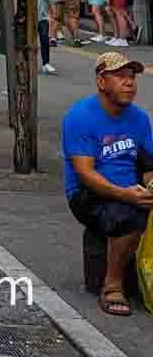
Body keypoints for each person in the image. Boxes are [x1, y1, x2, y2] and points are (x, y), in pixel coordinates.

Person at [62, 52, 153, 317]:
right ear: (101, 82)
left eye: (132, 77)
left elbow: (148, 165)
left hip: (130, 189)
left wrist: (149, 186)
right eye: (120, 76)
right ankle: (112, 286)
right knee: (129, 213)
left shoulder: (139, 118)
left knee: (140, 206)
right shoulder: (80, 117)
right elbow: (85, 174)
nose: (129, 83)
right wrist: (125, 194)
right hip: (88, 193)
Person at [30, 0, 58, 75]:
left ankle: (45, 63)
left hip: (42, 18)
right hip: (29, 17)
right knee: (29, 42)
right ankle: (28, 63)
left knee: (44, 39)